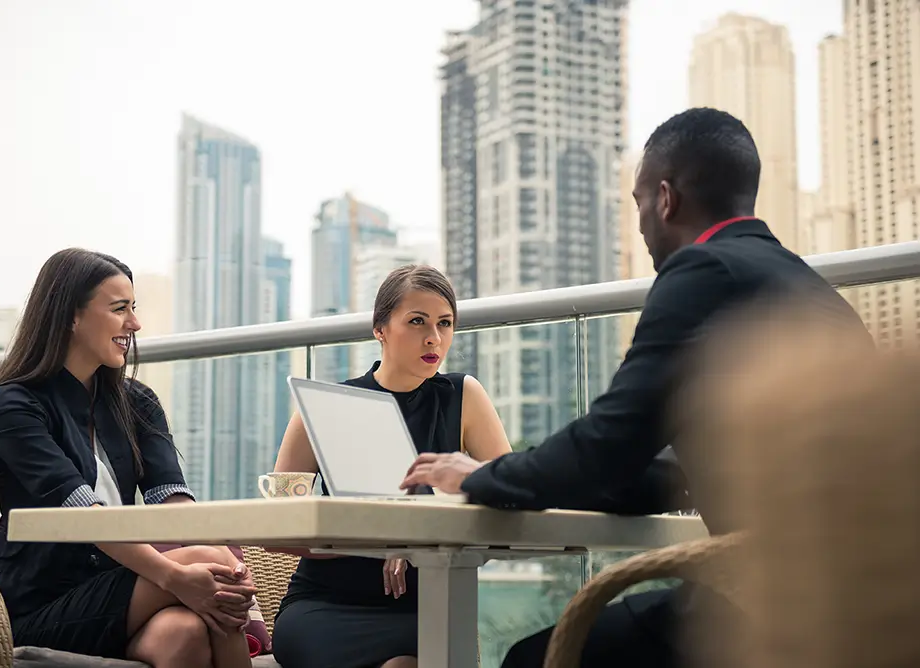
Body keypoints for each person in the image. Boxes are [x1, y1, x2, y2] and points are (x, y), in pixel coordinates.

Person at [400, 108, 871, 667]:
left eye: (639, 202)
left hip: (765, 605)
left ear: (666, 199)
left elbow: (606, 443)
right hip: (855, 598)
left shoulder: (702, 273)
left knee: (531, 660)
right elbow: (661, 472)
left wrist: (482, 474)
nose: (641, 223)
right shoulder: (814, 292)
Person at [0, 248, 257, 668]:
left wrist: (232, 566)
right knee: (212, 568)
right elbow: (84, 516)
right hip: (41, 606)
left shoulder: (137, 402)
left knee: (188, 631)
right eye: (120, 309)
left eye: (134, 308)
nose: (135, 323)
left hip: (117, 589)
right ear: (71, 316)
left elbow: (175, 504)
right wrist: (177, 576)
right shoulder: (14, 407)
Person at [270, 264, 513, 668]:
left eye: (445, 323)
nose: (434, 337)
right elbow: (276, 531)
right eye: (417, 321)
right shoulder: (325, 406)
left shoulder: (463, 396)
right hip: (323, 609)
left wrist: (418, 536)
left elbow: (510, 492)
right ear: (379, 328)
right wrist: (381, 540)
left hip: (422, 610)